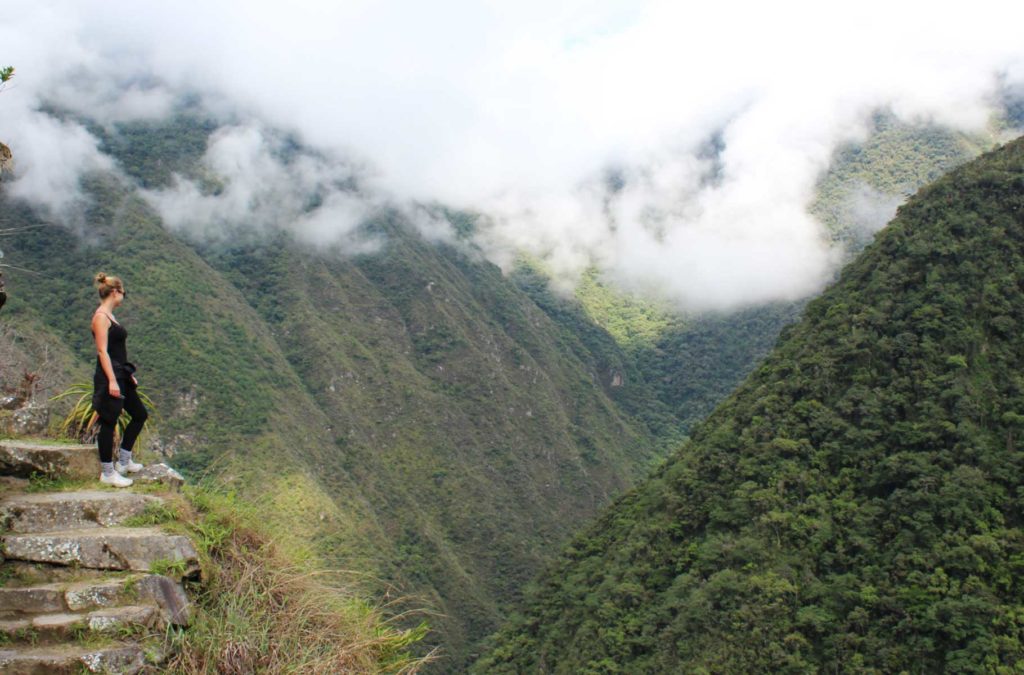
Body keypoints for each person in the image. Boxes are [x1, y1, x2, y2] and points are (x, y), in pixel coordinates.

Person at [91, 272, 147, 487]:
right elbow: (102, 352)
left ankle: (123, 461)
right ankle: (107, 472)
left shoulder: (111, 317)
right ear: (115, 292)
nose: (123, 296)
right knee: (109, 421)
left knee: (140, 414)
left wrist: (127, 374)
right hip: (110, 377)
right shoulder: (100, 317)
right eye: (123, 293)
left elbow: (116, 351)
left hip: (121, 374)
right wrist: (112, 381)